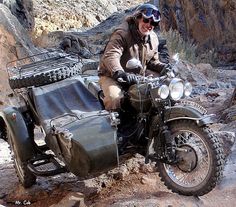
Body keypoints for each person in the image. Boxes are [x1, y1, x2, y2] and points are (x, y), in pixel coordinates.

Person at [98, 3, 169, 110]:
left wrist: (164, 67)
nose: (149, 25)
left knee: (165, 87)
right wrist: (118, 72)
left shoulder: (153, 38)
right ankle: (116, 124)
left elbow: (152, 62)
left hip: (137, 76)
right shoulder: (122, 33)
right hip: (113, 75)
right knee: (114, 98)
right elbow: (111, 55)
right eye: (146, 20)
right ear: (137, 18)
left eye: (153, 23)